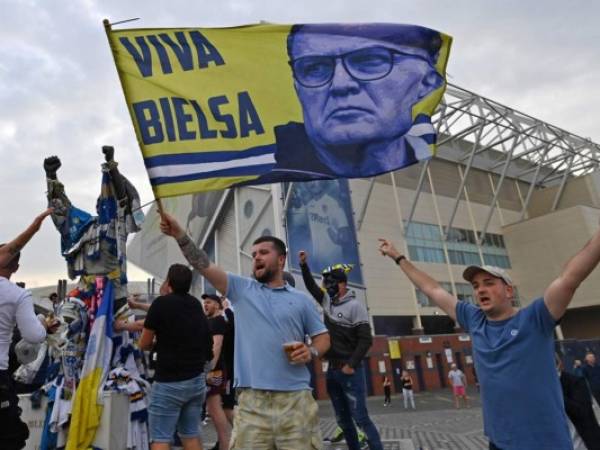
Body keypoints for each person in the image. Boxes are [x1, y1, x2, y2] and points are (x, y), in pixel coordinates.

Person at [378, 232, 600, 450]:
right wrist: (398, 257)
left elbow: (570, 278)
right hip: (500, 442)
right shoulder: (474, 319)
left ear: (508, 290)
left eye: (489, 283)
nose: (480, 289)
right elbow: (432, 289)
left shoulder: (535, 318)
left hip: (544, 442)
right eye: (475, 286)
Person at [160, 213, 330, 450]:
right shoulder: (241, 289)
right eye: (253, 255)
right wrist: (179, 234)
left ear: (281, 260)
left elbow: (323, 338)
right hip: (251, 404)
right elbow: (202, 263)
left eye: (263, 253)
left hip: (296, 402)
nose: (256, 258)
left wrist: (310, 351)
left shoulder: (302, 301)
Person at [258, 23, 446, 183]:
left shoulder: (427, 162)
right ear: (297, 88)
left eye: (369, 60)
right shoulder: (261, 170)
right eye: (314, 67)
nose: (340, 84)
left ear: (426, 81)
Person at [44, 146, 144, 315]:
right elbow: (61, 210)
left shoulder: (116, 225)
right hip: (85, 291)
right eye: (100, 202)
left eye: (106, 201)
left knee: (120, 335)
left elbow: (121, 200)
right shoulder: (84, 226)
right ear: (96, 207)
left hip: (115, 293)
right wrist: (51, 176)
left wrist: (111, 165)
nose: (103, 203)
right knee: (65, 321)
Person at [299, 250, 383, 450]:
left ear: (343, 284)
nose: (327, 286)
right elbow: (311, 287)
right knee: (343, 421)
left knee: (361, 418)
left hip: (350, 372)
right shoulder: (327, 302)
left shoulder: (356, 307)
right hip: (333, 373)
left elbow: (365, 340)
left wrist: (351, 365)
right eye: (326, 283)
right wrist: (303, 266)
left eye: (331, 283)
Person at [139, 264, 213, 450]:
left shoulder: (161, 304)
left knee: (161, 437)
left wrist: (157, 344)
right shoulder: (195, 304)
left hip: (169, 382)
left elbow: (144, 343)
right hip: (196, 380)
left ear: (168, 282)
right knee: (190, 433)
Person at [1, 216, 59, 450]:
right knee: (10, 437)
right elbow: (34, 336)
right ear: (16, 267)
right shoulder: (18, 295)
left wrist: (35, 226)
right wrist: (43, 325)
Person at [201, 293, 231, 450]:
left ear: (218, 305)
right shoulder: (212, 321)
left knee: (214, 408)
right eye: (204, 302)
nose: (205, 305)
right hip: (214, 370)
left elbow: (217, 346)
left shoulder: (218, 321)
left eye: (209, 302)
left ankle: (225, 445)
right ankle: (225, 444)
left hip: (215, 371)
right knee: (215, 409)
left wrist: (209, 369)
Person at [557, 355, 600, 450]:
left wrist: (555, 395)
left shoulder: (575, 382)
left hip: (582, 444)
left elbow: (582, 412)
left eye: (593, 357)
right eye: (591, 357)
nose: (593, 359)